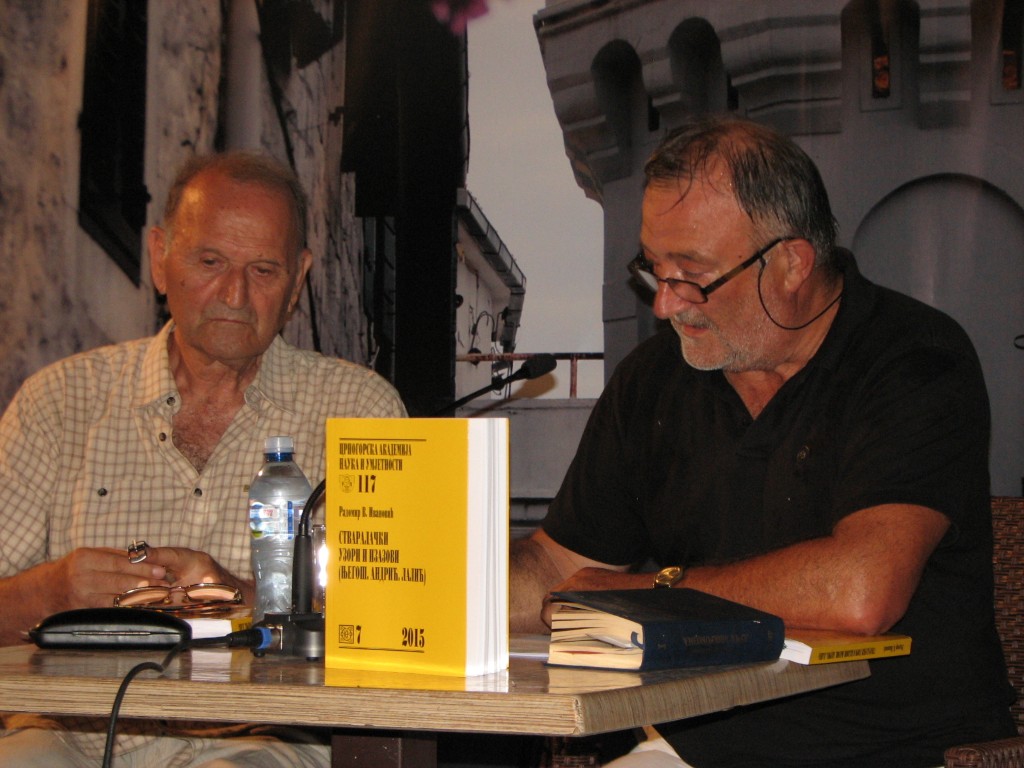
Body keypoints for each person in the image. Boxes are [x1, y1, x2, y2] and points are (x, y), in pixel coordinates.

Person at [511, 116, 1016, 767]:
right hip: (688, 747)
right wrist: (426, 592)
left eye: (692, 273)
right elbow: (556, 568)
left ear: (790, 263)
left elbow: (860, 591)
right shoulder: (654, 379)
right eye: (654, 269)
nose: (665, 305)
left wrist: (656, 591)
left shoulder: (914, 357)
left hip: (899, 749)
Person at [0, 151, 407, 767]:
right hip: (70, 733)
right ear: (160, 257)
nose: (234, 295)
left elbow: (398, 626)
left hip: (266, 737)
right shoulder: (60, 402)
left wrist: (246, 597)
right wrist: (50, 591)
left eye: (263, 270)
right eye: (210, 262)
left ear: (298, 279)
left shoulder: (358, 412)